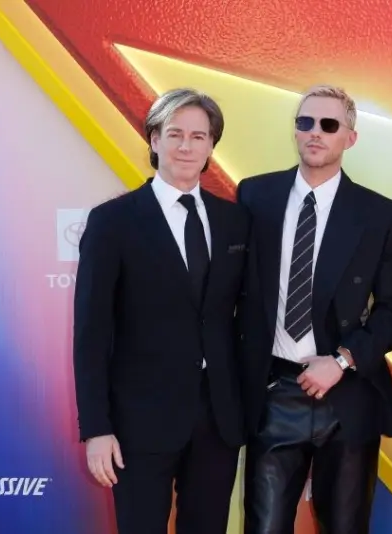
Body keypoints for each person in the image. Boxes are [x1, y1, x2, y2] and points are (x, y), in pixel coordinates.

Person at [236, 85, 392, 534]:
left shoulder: (381, 214)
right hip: (273, 390)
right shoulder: (255, 197)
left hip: (347, 396)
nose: (315, 133)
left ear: (349, 138)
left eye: (329, 125)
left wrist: (343, 360)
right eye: (305, 122)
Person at [72, 88, 249, 534]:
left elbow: (247, 316)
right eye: (174, 134)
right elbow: (91, 332)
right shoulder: (113, 222)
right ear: (153, 140)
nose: (186, 146)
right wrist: (96, 428)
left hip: (218, 421)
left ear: (212, 145)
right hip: (138, 422)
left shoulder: (234, 222)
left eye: (198, 136)